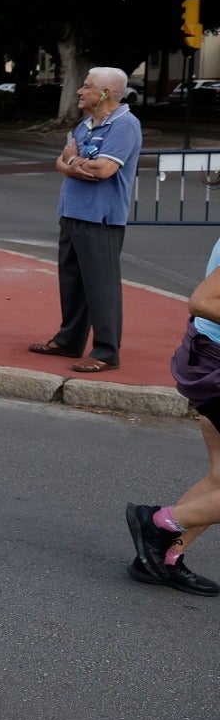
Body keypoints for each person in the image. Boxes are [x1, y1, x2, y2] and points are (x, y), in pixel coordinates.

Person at [28, 66, 142, 374]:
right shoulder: (87, 124)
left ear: (104, 93)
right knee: (72, 281)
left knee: (101, 285)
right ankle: (70, 339)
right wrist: (76, 164)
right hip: (72, 211)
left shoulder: (124, 125)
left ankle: (106, 351)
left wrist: (74, 162)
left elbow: (103, 170)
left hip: (101, 217)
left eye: (86, 86)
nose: (79, 91)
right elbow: (61, 161)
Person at [124, 241, 220, 598]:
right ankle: (157, 524)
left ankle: (160, 558)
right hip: (216, 365)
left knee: (219, 477)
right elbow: (203, 302)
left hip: (207, 356)